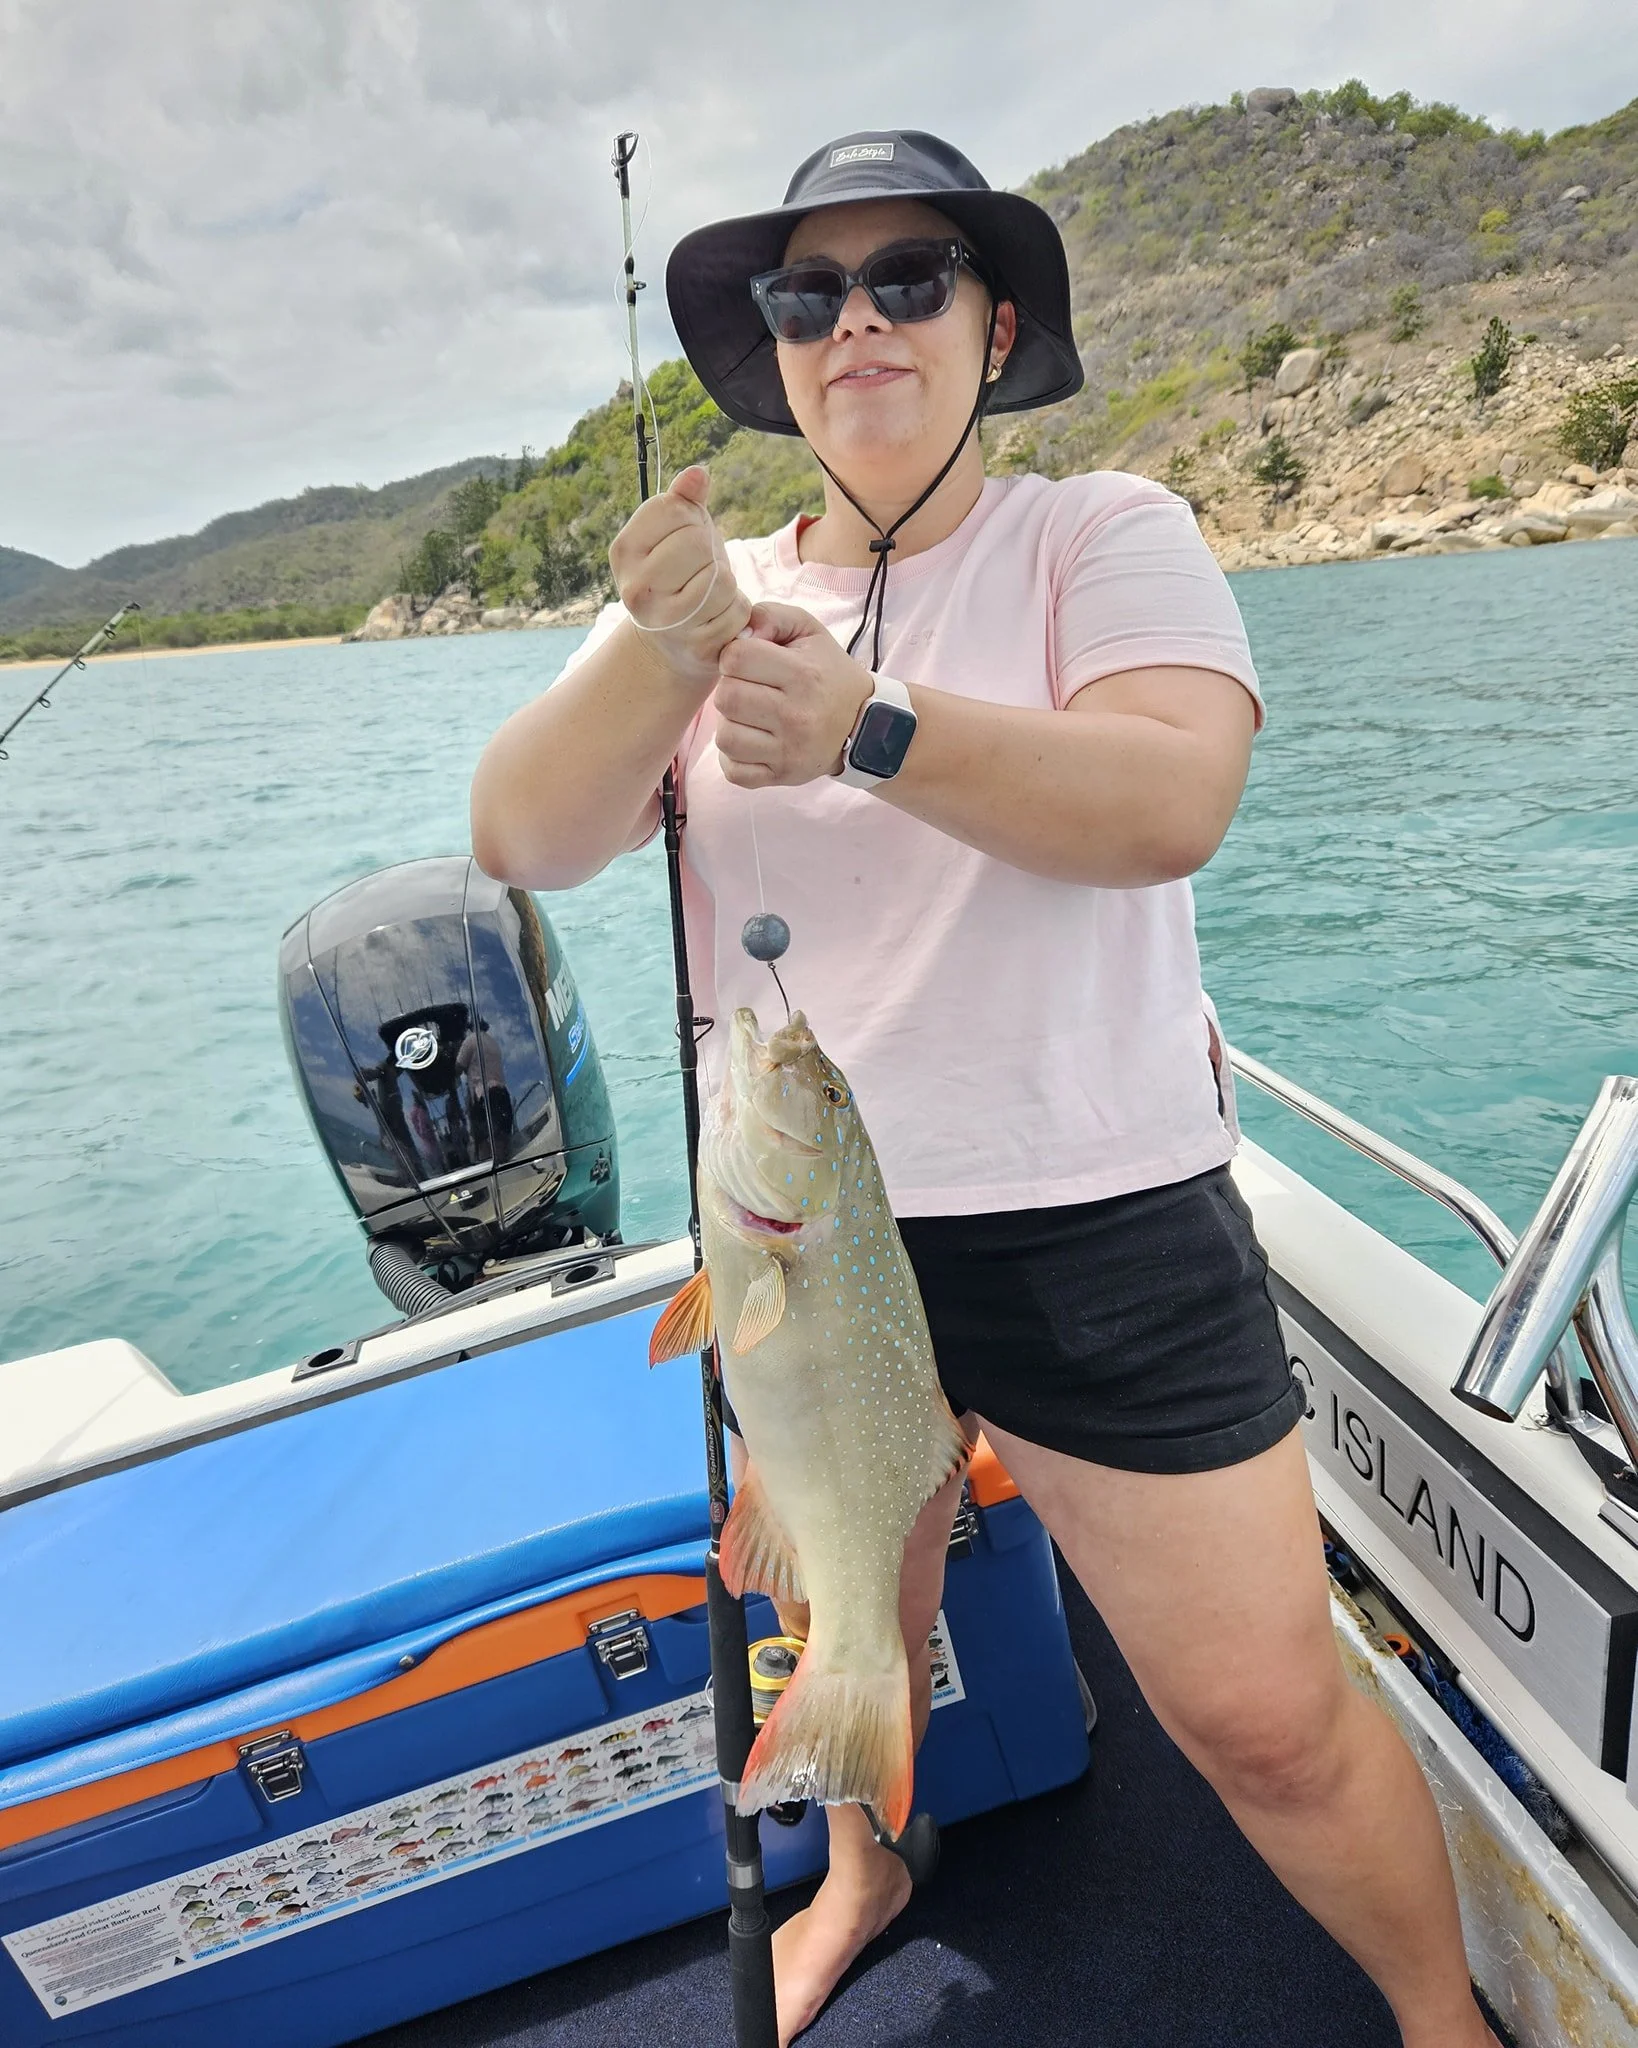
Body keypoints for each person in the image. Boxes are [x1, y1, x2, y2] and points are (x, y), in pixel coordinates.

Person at [470, 130, 1497, 2048]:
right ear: (771, 353)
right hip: (795, 1228)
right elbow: (523, 835)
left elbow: (1166, 799)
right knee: (845, 1592)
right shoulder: (712, 594)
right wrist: (662, 653)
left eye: (906, 279)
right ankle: (864, 1862)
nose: (853, 321)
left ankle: (1441, 2023)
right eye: (806, 295)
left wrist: (867, 727)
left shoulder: (1097, 534)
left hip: (1088, 1210)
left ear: (993, 321)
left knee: (1266, 1715)